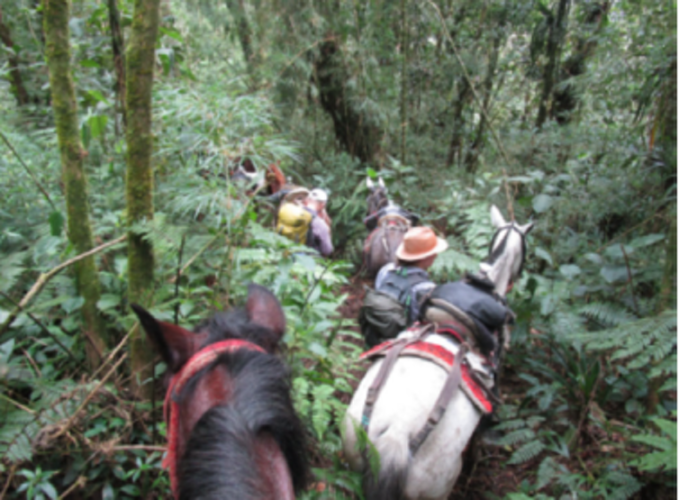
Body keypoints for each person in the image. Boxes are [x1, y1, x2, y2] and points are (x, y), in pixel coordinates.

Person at [375, 226, 448, 326]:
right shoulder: (425, 288)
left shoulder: (386, 271)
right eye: (433, 253)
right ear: (426, 257)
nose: (435, 255)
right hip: (403, 338)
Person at [302, 192, 334, 257]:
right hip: (309, 262)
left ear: (307, 200)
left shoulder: (294, 214)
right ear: (323, 204)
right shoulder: (319, 223)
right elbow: (327, 250)